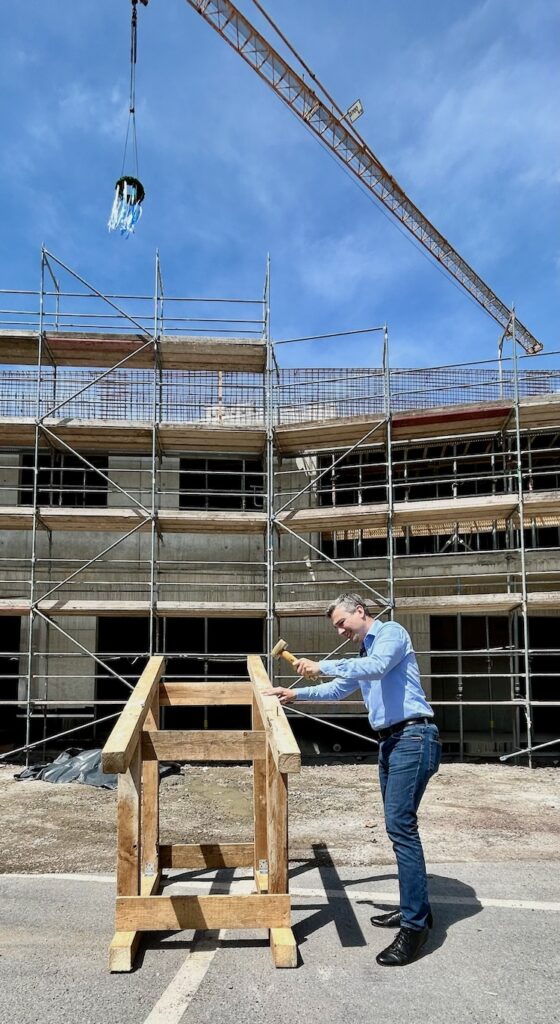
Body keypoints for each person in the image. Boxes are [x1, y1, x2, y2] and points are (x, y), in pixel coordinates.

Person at [265, 592, 441, 967]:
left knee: (401, 828)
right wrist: (296, 693)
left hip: (413, 737)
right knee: (400, 829)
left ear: (361, 612)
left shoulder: (391, 634)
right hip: (391, 742)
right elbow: (339, 689)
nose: (341, 631)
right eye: (336, 627)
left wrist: (325, 665)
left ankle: (414, 926)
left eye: (343, 623)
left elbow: (377, 667)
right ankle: (417, 910)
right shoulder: (360, 657)